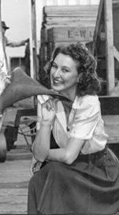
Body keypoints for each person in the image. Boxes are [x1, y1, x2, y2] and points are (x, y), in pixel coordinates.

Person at [27, 43, 119, 215]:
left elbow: (68, 156)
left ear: (80, 77)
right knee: (38, 181)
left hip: (98, 171)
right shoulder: (45, 98)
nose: (56, 74)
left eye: (65, 70)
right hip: (66, 167)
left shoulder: (88, 102)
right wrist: (46, 124)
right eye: (54, 66)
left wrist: (43, 155)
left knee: (54, 173)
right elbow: (40, 154)